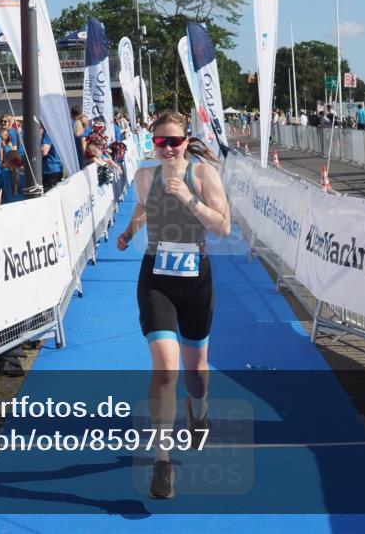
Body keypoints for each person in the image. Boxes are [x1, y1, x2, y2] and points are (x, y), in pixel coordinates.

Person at [115, 110, 231, 500]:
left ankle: (198, 411)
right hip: (156, 278)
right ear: (152, 143)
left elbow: (223, 226)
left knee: (195, 371)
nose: (166, 148)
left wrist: (189, 198)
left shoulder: (202, 175)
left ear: (186, 141)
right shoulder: (144, 176)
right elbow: (143, 208)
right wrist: (130, 231)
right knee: (165, 368)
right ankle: (162, 461)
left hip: (196, 278)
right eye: (159, 141)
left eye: (174, 141)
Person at [41, 127, 63, 191]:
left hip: (50, 169)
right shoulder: (58, 132)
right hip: (57, 168)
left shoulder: (48, 132)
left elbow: (44, 151)